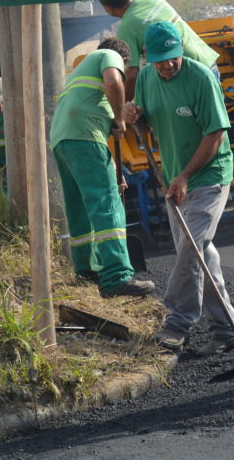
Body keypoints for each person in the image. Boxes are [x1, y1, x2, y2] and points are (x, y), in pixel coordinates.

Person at [121, 21, 234, 356]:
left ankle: (176, 322)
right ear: (148, 58)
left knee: (190, 247)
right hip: (175, 179)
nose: (168, 64)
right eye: (160, 59)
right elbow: (144, 122)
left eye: (173, 57)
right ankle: (226, 329)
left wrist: (186, 175)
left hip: (209, 176)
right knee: (198, 255)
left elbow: (215, 135)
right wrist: (133, 114)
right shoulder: (144, 79)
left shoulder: (201, 78)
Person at [49, 37, 155, 298]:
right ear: (125, 60)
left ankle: (86, 272)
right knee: (107, 205)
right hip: (84, 138)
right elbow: (113, 80)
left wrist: (115, 171)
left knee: (80, 209)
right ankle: (115, 277)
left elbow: (100, 140)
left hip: (63, 141)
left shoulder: (80, 77)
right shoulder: (109, 56)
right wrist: (120, 117)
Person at [95, 0, 220, 99]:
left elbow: (132, 75)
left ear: (108, 8)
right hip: (207, 63)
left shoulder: (126, 29)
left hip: (189, 77)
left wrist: (124, 107)